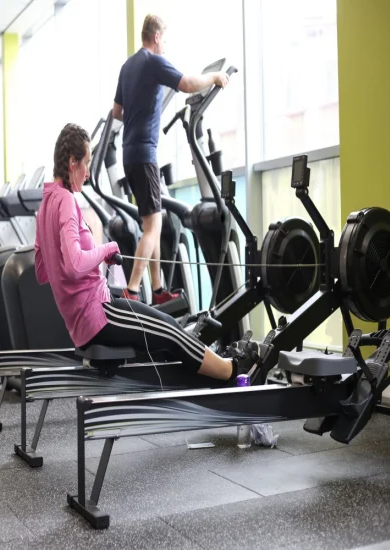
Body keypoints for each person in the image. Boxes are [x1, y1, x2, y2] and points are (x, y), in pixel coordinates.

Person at [34, 123, 258, 384]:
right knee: (170, 330)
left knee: (165, 326)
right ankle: (233, 371)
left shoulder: (46, 203)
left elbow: (42, 272)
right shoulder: (66, 201)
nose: (87, 174)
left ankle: (220, 366)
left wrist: (59, 253)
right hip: (97, 315)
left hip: (85, 317)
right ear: (72, 162)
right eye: (87, 163)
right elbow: (74, 265)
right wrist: (107, 249)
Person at [113, 14, 230, 304]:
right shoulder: (153, 62)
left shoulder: (127, 66)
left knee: (153, 222)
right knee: (153, 226)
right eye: (164, 39)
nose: (164, 45)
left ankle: (156, 290)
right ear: (156, 37)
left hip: (130, 154)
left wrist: (138, 114)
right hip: (144, 154)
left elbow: (117, 112)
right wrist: (215, 77)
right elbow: (188, 84)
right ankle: (132, 290)